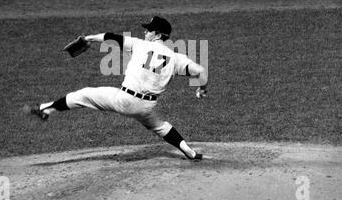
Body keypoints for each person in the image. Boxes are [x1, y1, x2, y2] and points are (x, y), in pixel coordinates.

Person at [25, 16, 208, 160]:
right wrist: (201, 88)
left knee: (83, 95)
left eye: (149, 30)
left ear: (158, 35)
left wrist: (89, 38)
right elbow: (200, 71)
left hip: (124, 100)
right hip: (145, 109)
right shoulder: (176, 59)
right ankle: (190, 152)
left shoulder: (139, 44)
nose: (145, 32)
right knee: (161, 127)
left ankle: (44, 109)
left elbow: (110, 36)